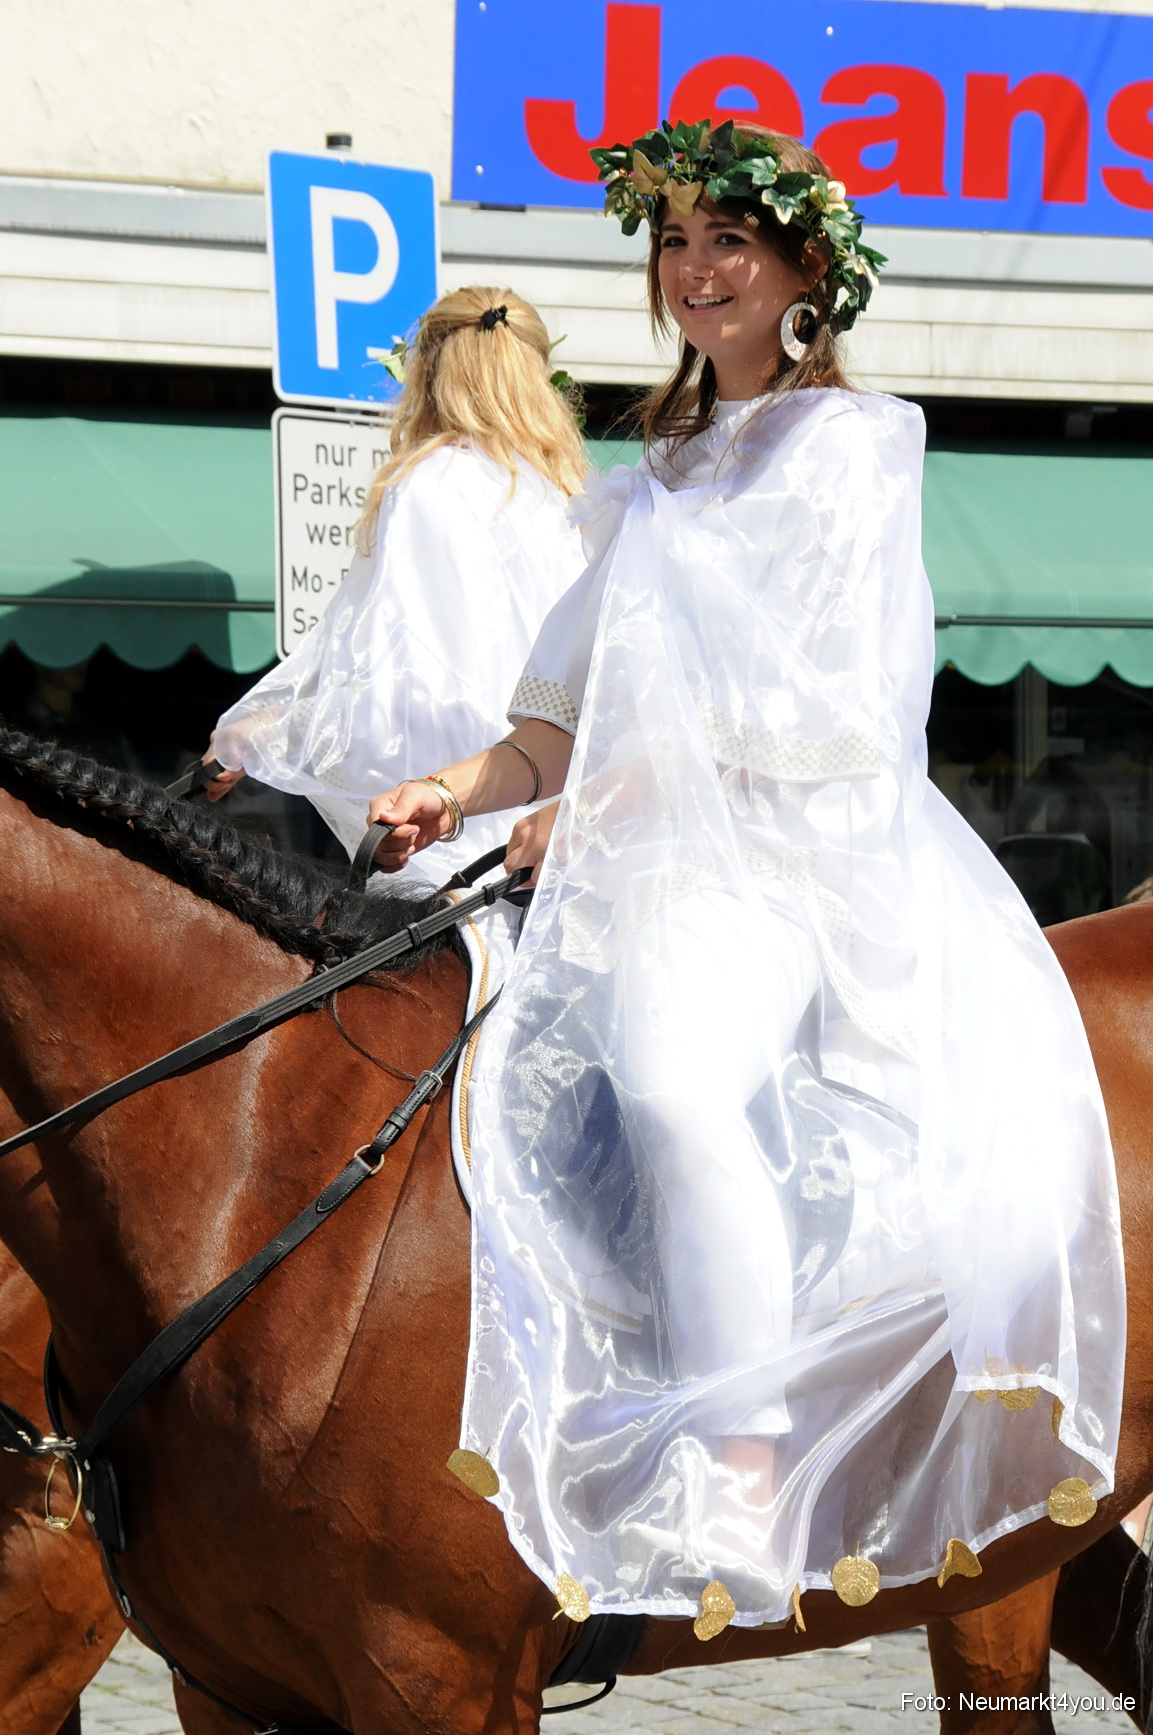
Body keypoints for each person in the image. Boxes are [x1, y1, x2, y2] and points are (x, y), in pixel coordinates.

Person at [368, 125, 1124, 1633]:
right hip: (640, 873)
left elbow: (823, 708)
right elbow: (551, 719)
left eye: (729, 241)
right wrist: (451, 790)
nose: (694, 268)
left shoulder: (852, 447)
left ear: (802, 275)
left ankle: (741, 1456)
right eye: (674, 242)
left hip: (793, 872)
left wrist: (606, 800)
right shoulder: (654, 475)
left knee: (673, 1082)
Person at [207, 286, 587, 881]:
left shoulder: (431, 484)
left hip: (458, 843)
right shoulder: (571, 497)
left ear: (427, 374)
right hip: (558, 837)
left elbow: (395, 695)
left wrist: (258, 735)